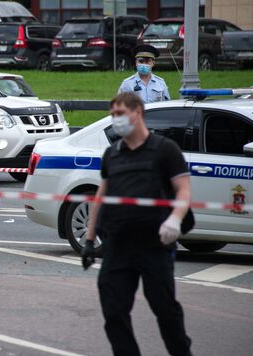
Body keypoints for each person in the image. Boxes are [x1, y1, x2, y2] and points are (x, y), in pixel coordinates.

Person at [82, 93, 193, 356]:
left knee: (165, 311)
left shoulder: (165, 149)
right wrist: (89, 239)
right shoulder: (112, 153)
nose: (115, 119)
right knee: (113, 311)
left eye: (120, 113)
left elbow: (184, 191)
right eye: (113, 114)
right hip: (118, 246)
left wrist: (175, 220)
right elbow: (101, 196)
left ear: (138, 113)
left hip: (154, 245)